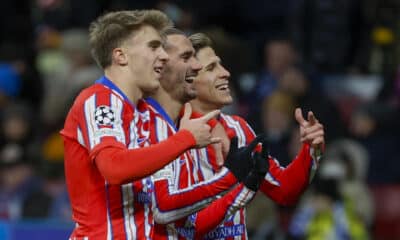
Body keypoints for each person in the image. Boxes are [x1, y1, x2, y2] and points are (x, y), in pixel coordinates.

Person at [60, 10, 222, 239]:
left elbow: (162, 208)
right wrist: (186, 139)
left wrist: (232, 180)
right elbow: (114, 169)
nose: (164, 56)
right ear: (121, 56)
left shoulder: (146, 114)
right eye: (154, 46)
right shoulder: (99, 101)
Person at [171, 33, 325, 239]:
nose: (225, 73)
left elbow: (285, 190)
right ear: (188, 81)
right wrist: (243, 186)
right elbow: (186, 227)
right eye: (211, 68)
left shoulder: (239, 128)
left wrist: (310, 149)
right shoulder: (171, 135)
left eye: (221, 65)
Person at [140, 28, 267, 239]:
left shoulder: (175, 129)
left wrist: (246, 186)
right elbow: (164, 211)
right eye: (186, 57)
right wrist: (230, 178)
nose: (196, 66)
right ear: (162, 67)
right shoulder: (149, 126)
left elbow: (192, 226)